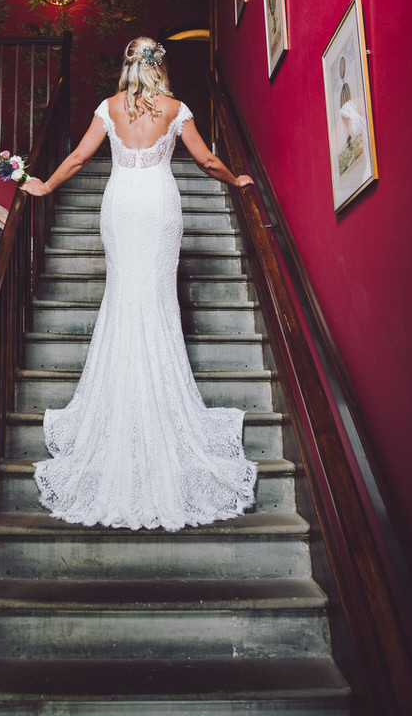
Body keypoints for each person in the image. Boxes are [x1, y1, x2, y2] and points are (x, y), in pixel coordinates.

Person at [20, 36, 257, 531]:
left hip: (121, 206)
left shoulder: (108, 107)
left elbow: (80, 159)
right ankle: (158, 409)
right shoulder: (176, 108)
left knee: (123, 295)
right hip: (159, 206)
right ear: (160, 68)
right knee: (156, 300)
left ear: (126, 66)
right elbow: (206, 161)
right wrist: (237, 180)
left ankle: (121, 406)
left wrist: (45, 185)